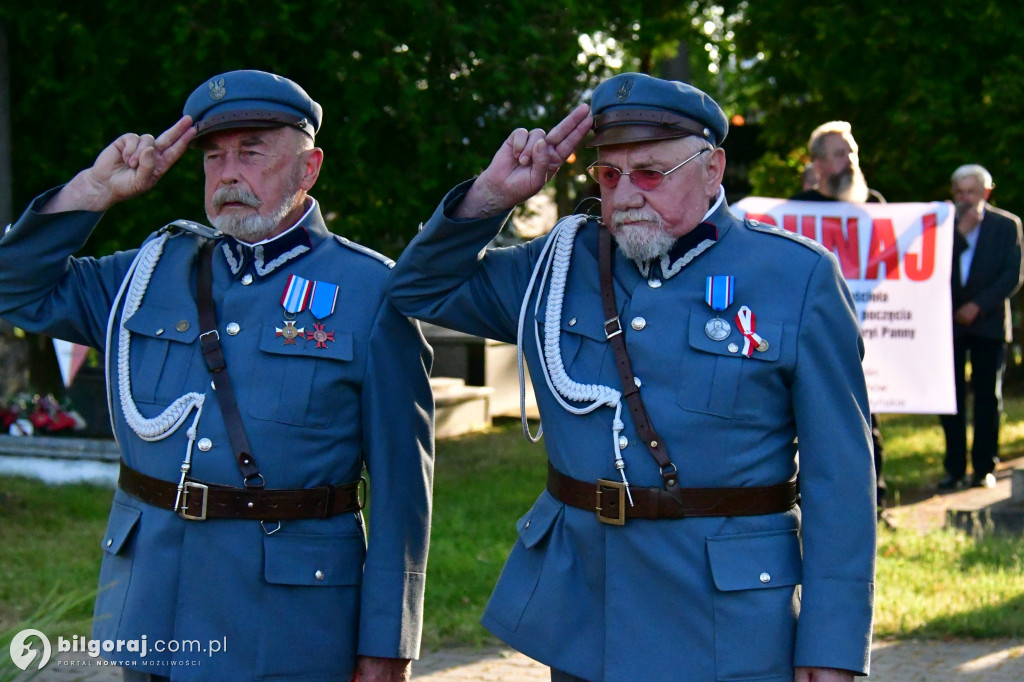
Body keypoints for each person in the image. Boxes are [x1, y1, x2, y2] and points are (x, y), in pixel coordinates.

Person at [388, 73, 876, 682]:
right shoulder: (560, 265)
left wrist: (831, 648)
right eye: (609, 175)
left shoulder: (794, 278)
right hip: (593, 611)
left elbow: (841, 480)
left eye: (650, 173)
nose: (625, 195)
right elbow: (417, 288)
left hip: (729, 626)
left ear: (713, 168)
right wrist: (491, 196)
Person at [0, 70, 433, 681]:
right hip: (153, 599)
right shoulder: (152, 272)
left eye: (251, 153)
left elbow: (401, 491)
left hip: (285, 619)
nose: (229, 173)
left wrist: (387, 647)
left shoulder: (372, 293)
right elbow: (13, 289)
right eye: (214, 156)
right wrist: (93, 191)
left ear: (308, 169)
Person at [789, 120, 888, 508]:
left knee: (869, 416)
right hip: (816, 329)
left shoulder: (876, 206)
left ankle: (875, 500)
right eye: (835, 154)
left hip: (868, 327)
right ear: (816, 164)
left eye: (849, 152)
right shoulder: (799, 210)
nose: (846, 161)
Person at [938, 164, 1023, 490]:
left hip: (988, 325)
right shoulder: (943, 226)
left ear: (986, 193)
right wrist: (960, 233)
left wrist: (977, 306)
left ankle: (984, 467)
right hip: (949, 327)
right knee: (951, 399)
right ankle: (954, 469)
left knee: (988, 397)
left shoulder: (1006, 225)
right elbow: (935, 268)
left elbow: (1012, 275)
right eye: (959, 192)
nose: (964, 198)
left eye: (971, 192)